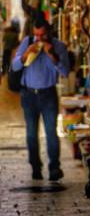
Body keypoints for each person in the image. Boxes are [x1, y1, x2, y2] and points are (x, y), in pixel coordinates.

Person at [12, 16, 70, 181]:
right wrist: (25, 56)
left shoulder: (58, 46)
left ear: (49, 32)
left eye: (42, 35)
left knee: (51, 132)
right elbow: (15, 66)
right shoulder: (27, 41)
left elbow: (65, 72)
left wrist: (52, 55)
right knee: (31, 133)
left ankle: (54, 168)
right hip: (29, 94)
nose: (39, 39)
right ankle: (35, 167)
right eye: (36, 35)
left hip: (48, 94)